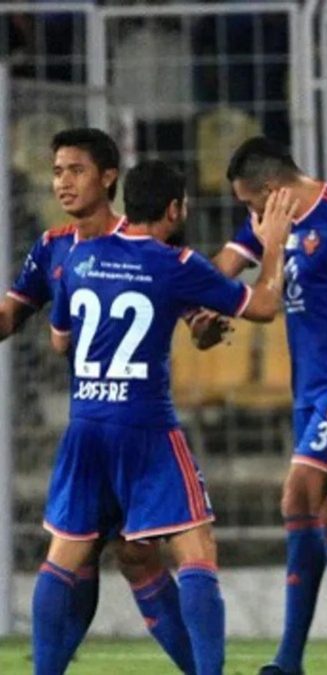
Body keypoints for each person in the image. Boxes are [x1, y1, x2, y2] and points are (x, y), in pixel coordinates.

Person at [35, 160, 290, 675]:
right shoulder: (176, 263)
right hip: (146, 426)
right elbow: (264, 305)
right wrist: (273, 245)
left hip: (86, 426)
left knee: (65, 555)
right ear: (174, 209)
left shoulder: (79, 255)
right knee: (196, 549)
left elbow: (61, 341)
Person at [5, 128, 200, 671]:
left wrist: (205, 324)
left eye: (76, 170)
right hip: (93, 426)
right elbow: (11, 313)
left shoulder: (144, 242)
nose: (63, 183)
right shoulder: (53, 245)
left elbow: (193, 309)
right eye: (57, 172)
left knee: (131, 555)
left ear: (109, 176)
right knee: (83, 552)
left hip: (138, 426)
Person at [202, 136, 327, 675]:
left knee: (300, 495)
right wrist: (200, 308)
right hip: (310, 390)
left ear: (271, 189)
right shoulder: (272, 223)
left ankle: (299, 660)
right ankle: (307, 663)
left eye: (249, 202)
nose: (248, 214)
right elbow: (223, 268)